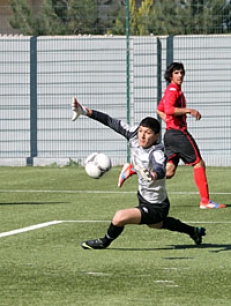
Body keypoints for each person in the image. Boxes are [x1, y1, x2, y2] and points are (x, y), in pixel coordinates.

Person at [71, 98, 206, 249]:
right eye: (141, 130)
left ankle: (104, 242)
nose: (142, 135)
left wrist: (153, 175)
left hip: (156, 205)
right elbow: (109, 121)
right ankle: (194, 231)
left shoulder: (156, 152)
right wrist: (85, 112)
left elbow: (160, 169)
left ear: (156, 136)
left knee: (119, 217)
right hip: (144, 196)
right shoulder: (134, 134)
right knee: (156, 225)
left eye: (148, 133)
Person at [156, 62, 225, 209]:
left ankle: (134, 170)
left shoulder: (173, 90)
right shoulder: (172, 90)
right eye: (176, 73)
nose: (180, 75)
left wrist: (169, 123)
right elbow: (168, 109)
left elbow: (160, 109)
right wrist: (189, 111)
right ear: (170, 76)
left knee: (168, 171)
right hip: (178, 134)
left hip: (170, 134)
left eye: (181, 73)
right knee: (198, 163)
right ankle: (205, 201)